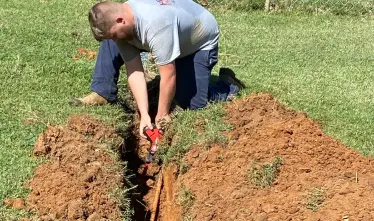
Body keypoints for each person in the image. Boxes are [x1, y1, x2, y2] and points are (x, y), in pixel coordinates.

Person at [71, 0, 245, 136]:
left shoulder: (157, 25)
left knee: (194, 103)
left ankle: (227, 85)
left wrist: (161, 115)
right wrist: (145, 114)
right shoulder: (123, 21)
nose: (115, 39)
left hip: (198, 42)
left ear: (120, 20)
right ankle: (102, 92)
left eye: (114, 34)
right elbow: (134, 70)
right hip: (168, 34)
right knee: (112, 44)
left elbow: (169, 75)